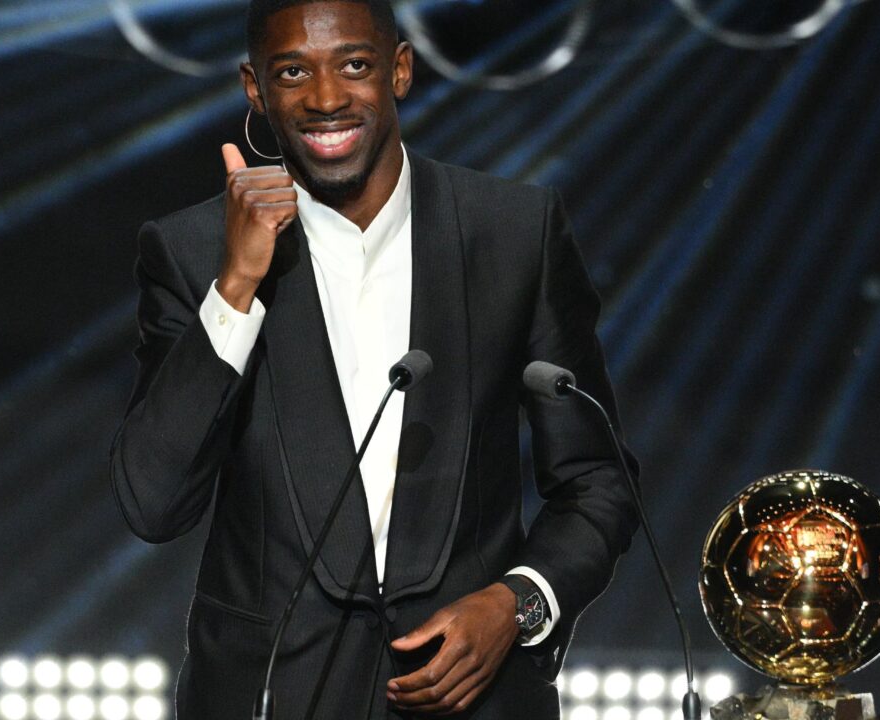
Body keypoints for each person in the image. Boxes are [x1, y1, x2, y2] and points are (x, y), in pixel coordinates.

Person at [111, 0, 640, 716]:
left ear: (399, 69)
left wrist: (516, 604)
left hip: (469, 700)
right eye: (292, 71)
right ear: (254, 89)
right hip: (270, 699)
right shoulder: (192, 253)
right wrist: (235, 286)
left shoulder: (513, 233)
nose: (326, 99)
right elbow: (153, 502)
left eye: (354, 64)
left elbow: (597, 481)